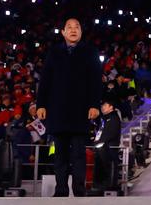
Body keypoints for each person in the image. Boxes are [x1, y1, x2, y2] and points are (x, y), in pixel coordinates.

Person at [36, 18, 102, 197]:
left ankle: (79, 190)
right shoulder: (54, 52)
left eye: (77, 27)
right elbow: (45, 80)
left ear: (81, 32)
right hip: (57, 110)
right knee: (60, 155)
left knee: (79, 154)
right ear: (63, 32)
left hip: (81, 110)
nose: (73, 30)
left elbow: (96, 81)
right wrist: (41, 104)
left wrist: (95, 105)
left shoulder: (90, 51)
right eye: (69, 27)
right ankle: (61, 189)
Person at [91, 98, 121, 194]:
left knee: (107, 167)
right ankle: (98, 185)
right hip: (101, 148)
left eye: (105, 106)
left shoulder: (114, 118)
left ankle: (109, 185)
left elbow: (112, 133)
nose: (102, 107)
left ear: (111, 107)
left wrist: (101, 141)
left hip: (108, 149)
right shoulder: (104, 119)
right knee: (99, 168)